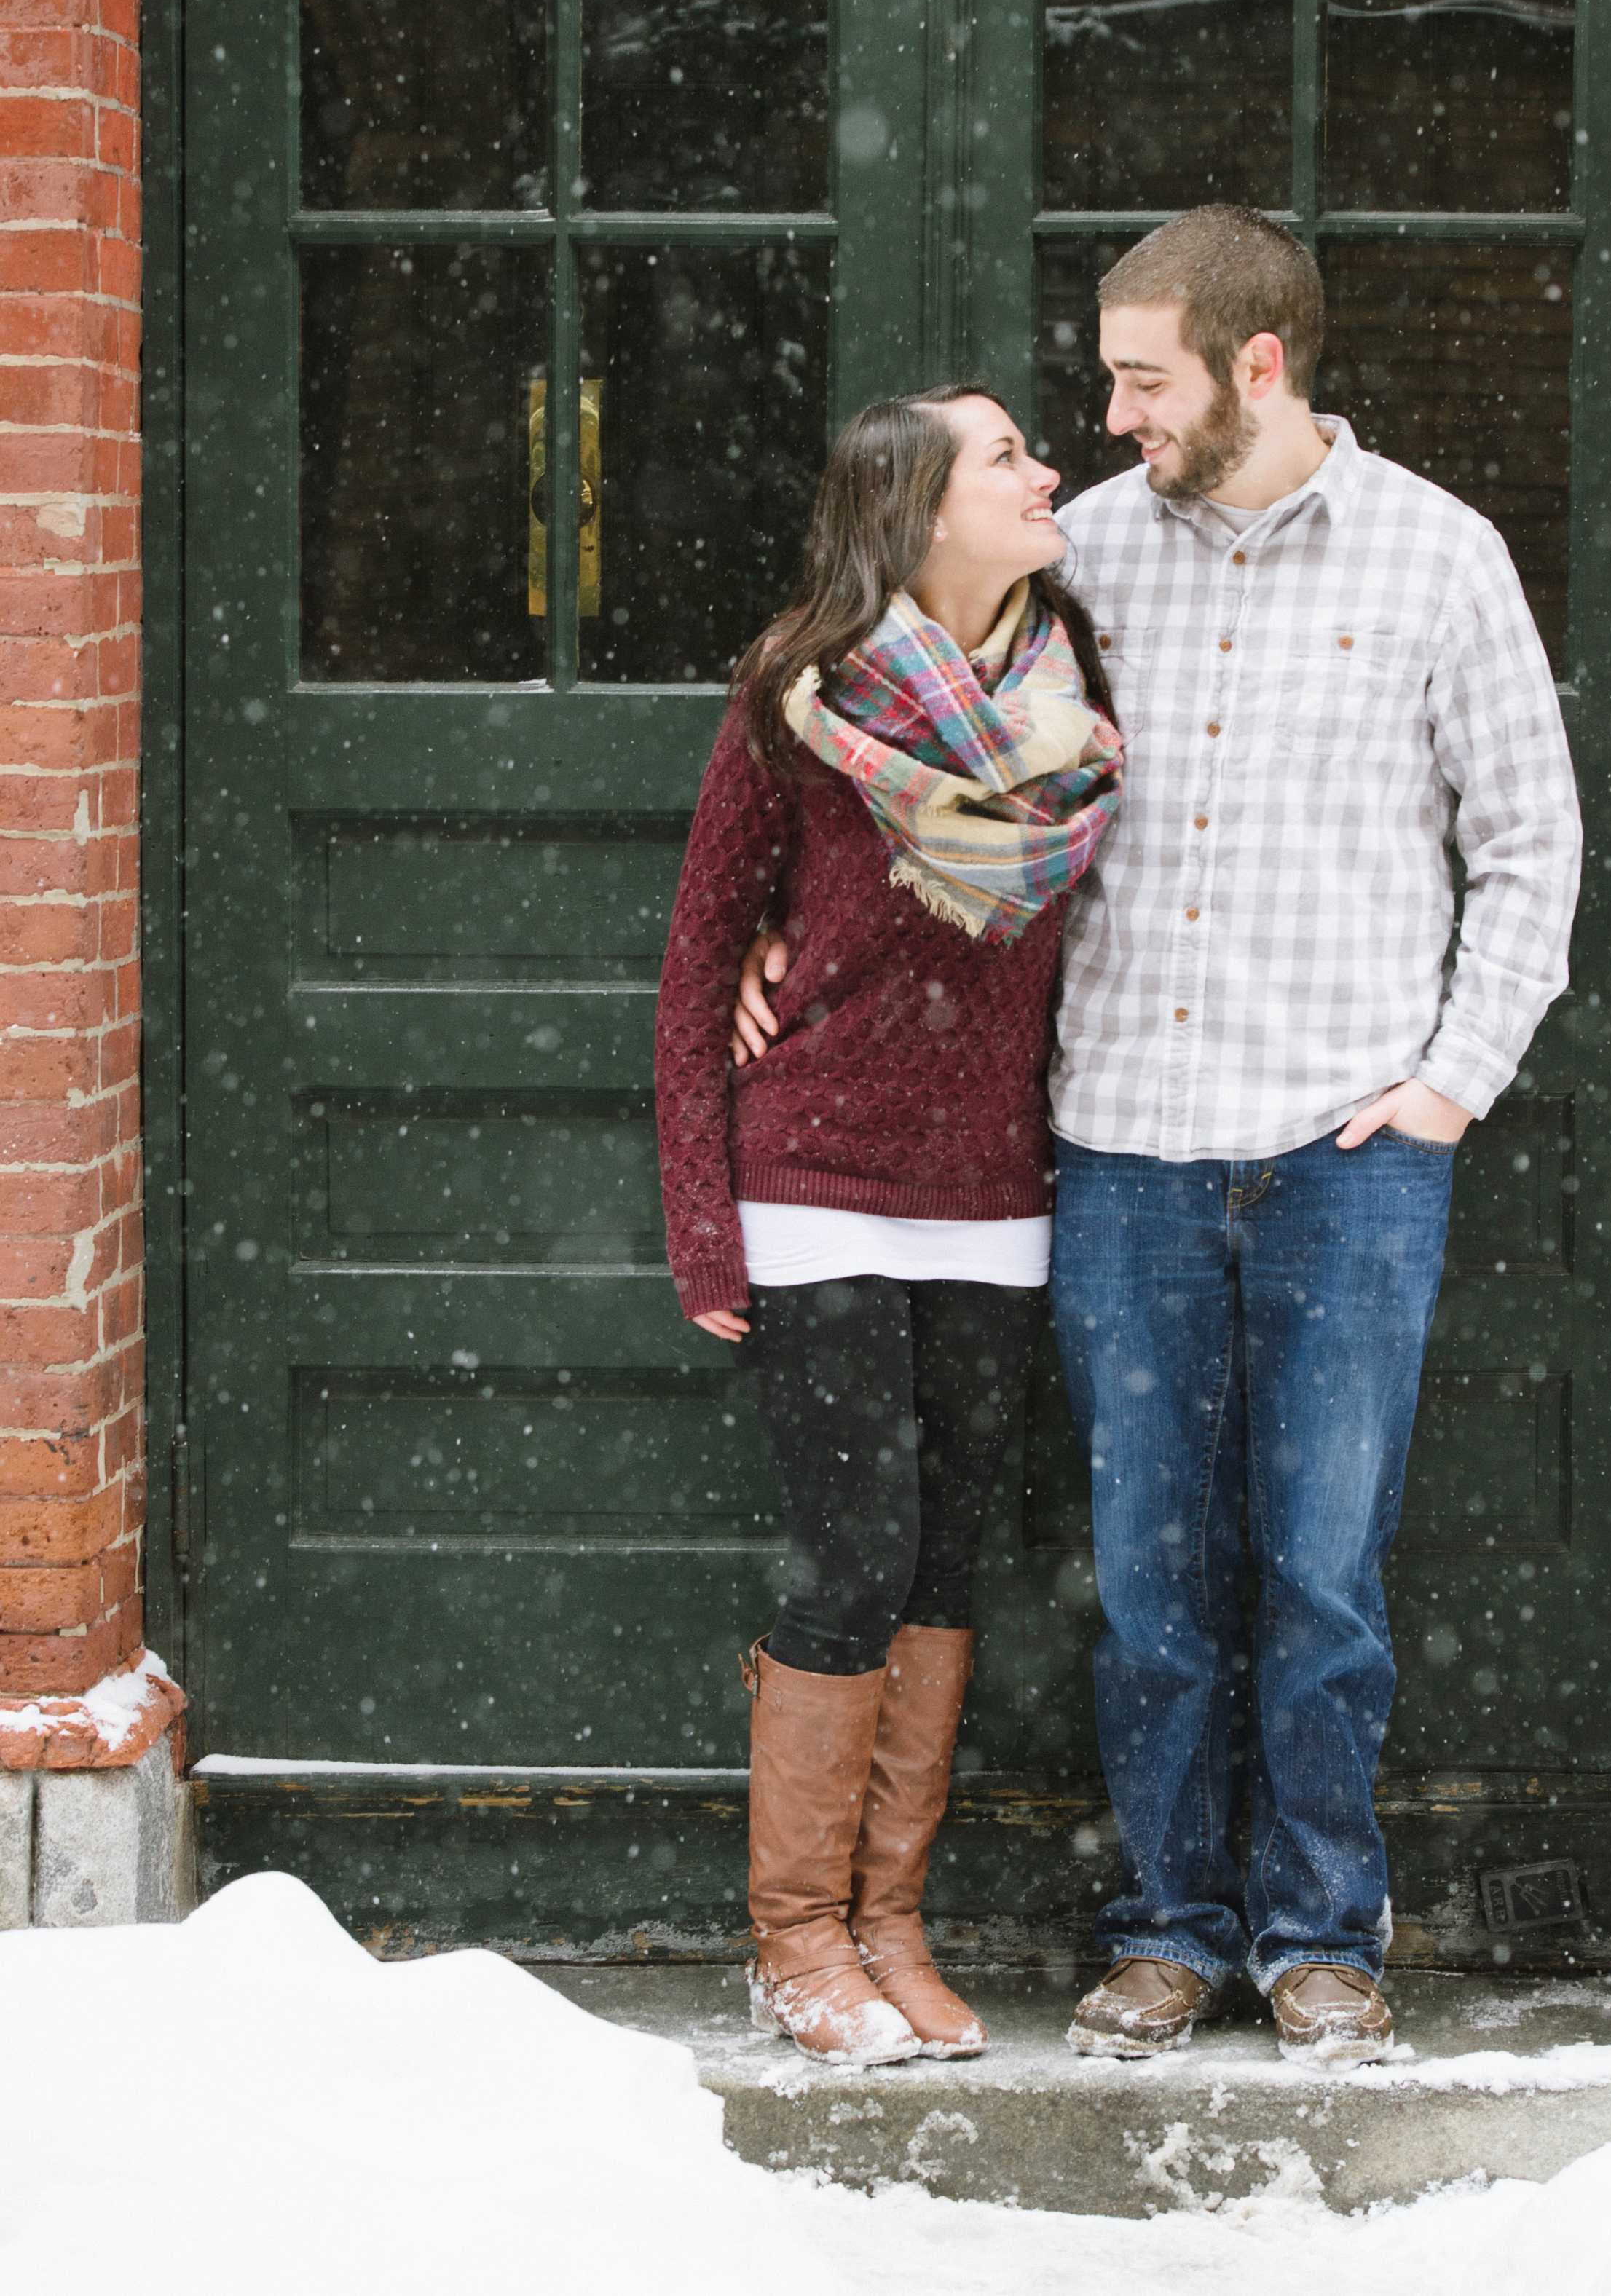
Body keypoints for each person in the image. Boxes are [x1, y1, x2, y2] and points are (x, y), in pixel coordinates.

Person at [733, 207, 1581, 2066]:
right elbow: (922, 759)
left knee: (1324, 1577)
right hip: (1114, 1151)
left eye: (1140, 380)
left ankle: (1317, 1936)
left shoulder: (1439, 561)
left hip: (1348, 1156)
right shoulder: (1078, 561)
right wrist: (791, 924)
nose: (1105, 416)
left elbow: (1528, 844)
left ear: (1254, 370)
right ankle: (1165, 1931)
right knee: (1147, 1581)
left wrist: (1446, 1085)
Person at [655, 383, 1122, 2070]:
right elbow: (703, 965)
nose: (1045, 469)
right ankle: (795, 1942)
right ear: (919, 510)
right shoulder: (799, 698)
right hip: (816, 1185)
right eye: (1006, 456)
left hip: (995, 1196)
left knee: (941, 1565)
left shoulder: (1075, 691)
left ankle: (888, 1925)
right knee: (851, 1558)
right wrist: (704, 1230)